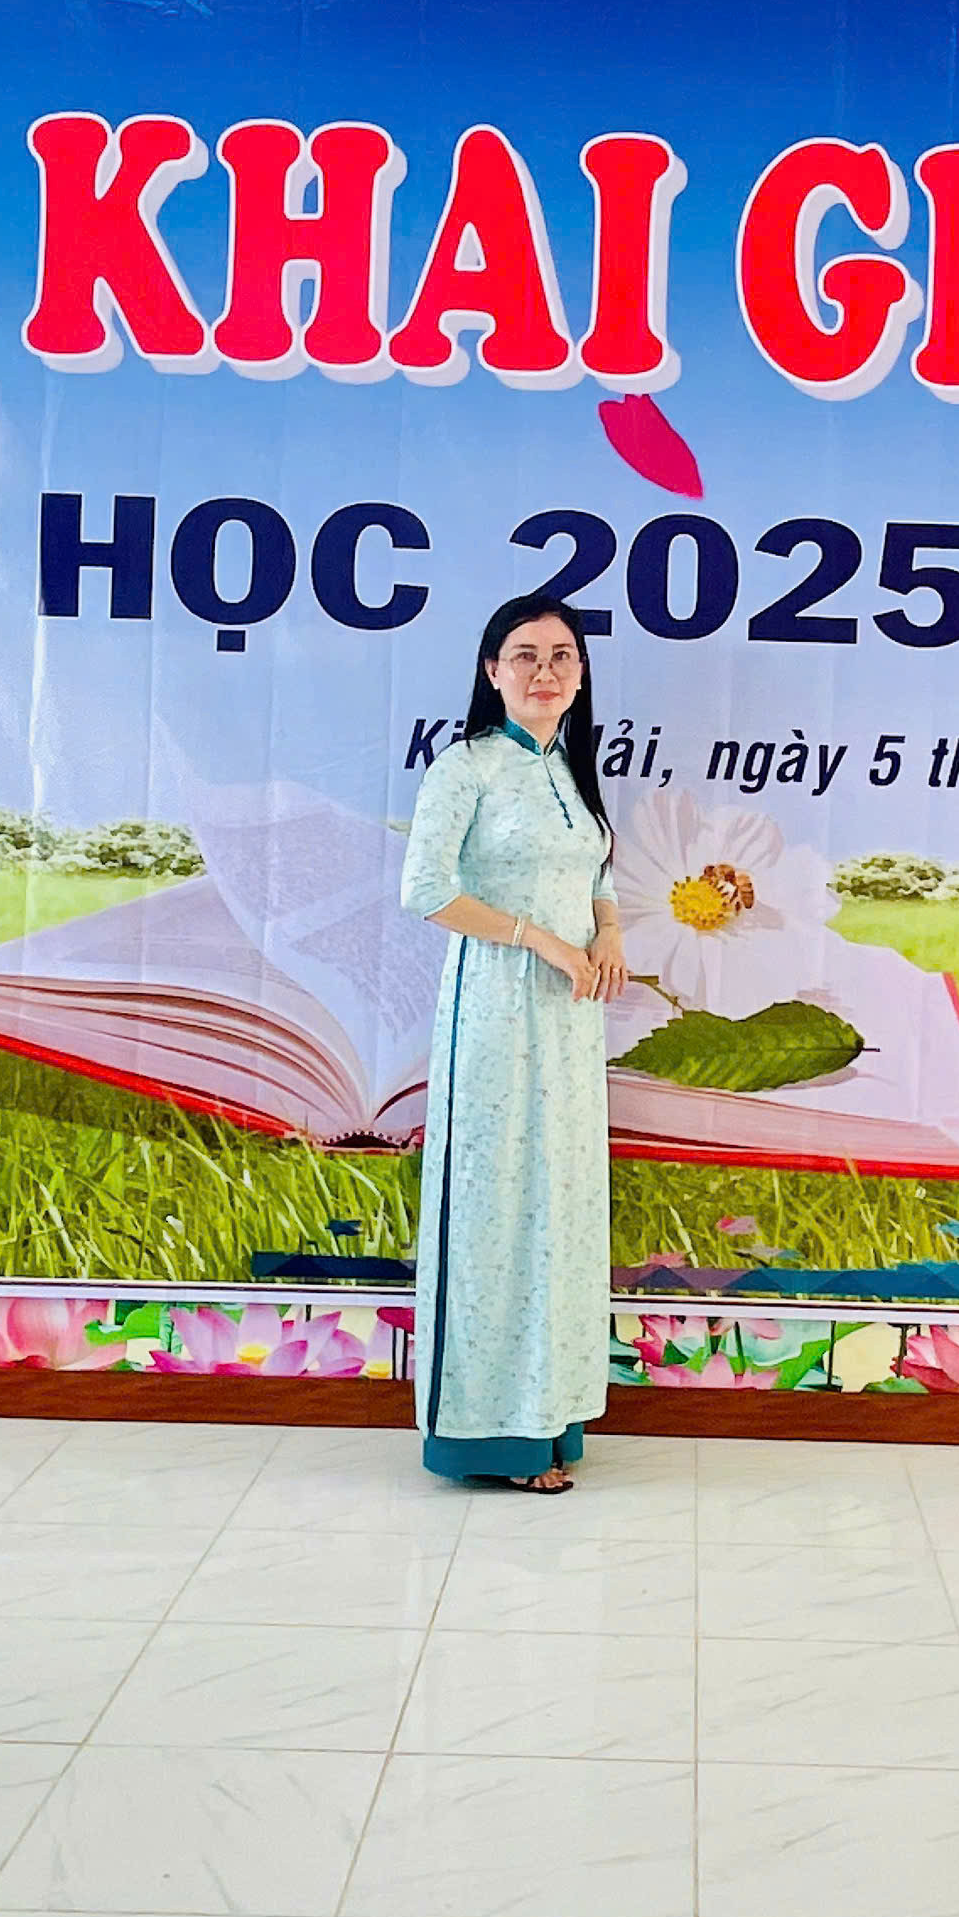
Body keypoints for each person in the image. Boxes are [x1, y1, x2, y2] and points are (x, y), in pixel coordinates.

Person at [399, 596, 626, 1492]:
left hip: (571, 1017)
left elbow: (597, 871)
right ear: (492, 670)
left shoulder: (571, 768)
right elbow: (426, 890)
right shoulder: (467, 767)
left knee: (558, 1204)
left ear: (581, 673)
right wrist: (541, 940)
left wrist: (608, 933)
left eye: (562, 655)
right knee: (497, 1203)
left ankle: (550, 1415)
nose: (545, 671)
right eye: (525, 654)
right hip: (495, 1010)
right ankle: (490, 1430)